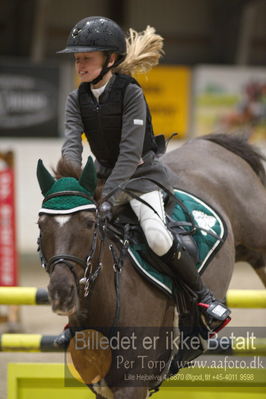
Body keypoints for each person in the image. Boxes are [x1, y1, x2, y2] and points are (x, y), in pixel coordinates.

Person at [58, 16, 231, 334]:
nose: (79, 64)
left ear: (110, 59)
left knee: (156, 235)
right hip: (102, 176)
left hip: (141, 176)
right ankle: (75, 313)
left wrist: (108, 197)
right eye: (76, 58)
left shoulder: (130, 93)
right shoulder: (75, 99)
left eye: (86, 58)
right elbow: (72, 147)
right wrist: (72, 184)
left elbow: (128, 153)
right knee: (70, 233)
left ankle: (202, 298)